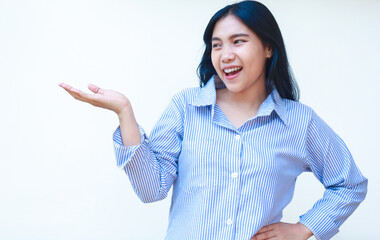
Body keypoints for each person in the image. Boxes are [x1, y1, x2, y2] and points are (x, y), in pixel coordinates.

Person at [59, 1, 367, 239]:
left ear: (269, 48)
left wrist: (304, 228)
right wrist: (125, 112)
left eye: (238, 41)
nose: (225, 54)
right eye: (217, 44)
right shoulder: (185, 107)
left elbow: (350, 184)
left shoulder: (298, 122)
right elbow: (151, 190)